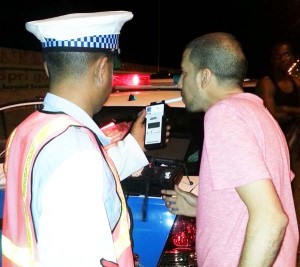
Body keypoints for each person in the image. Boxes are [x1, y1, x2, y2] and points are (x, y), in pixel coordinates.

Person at [1, 11, 168, 267]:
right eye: (112, 68)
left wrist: (135, 145)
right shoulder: (75, 152)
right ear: (102, 69)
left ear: (48, 68)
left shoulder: (30, 130)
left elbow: (79, 173)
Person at [161, 32, 299, 266]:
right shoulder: (259, 114)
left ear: (204, 76)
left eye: (184, 73)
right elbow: (259, 197)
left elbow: (271, 218)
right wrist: (203, 206)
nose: (180, 82)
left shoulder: (224, 115)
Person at [256, 41, 300, 135]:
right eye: (278, 56)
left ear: (292, 58)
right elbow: (273, 117)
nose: (283, 59)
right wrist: (296, 114)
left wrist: (286, 109)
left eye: (286, 55)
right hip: (274, 137)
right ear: (272, 60)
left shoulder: (297, 82)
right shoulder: (266, 83)